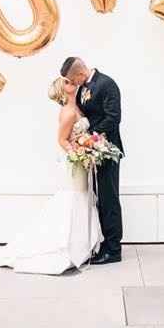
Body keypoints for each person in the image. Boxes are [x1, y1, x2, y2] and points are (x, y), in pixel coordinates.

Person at [0, 76, 102, 274]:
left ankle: (82, 245)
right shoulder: (67, 112)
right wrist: (79, 154)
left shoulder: (78, 108)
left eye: (71, 81)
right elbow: (62, 140)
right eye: (66, 82)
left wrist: (90, 146)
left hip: (82, 158)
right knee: (74, 196)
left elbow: (79, 135)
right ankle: (63, 244)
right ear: (62, 89)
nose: (72, 83)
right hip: (75, 161)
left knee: (82, 196)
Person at [60, 57, 123, 265]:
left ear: (79, 74)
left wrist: (91, 136)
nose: (75, 85)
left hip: (108, 151)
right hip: (92, 152)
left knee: (109, 199)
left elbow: (113, 118)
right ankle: (104, 243)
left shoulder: (107, 84)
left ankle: (114, 249)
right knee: (99, 199)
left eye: (74, 80)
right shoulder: (82, 89)